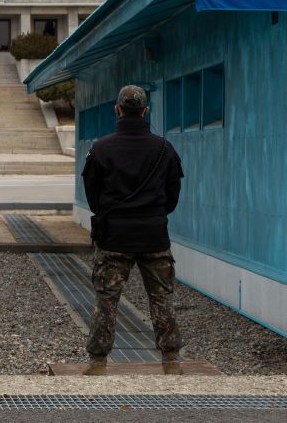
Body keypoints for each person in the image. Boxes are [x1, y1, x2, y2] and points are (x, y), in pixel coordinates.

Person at [80, 85, 185, 376]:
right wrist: (153, 214)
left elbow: (92, 194)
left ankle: (98, 363)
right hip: (153, 233)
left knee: (106, 300)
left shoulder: (101, 148)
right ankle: (171, 360)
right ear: (145, 111)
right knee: (161, 297)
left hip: (114, 235)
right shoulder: (164, 148)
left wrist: (109, 214)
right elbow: (173, 193)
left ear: (117, 110)